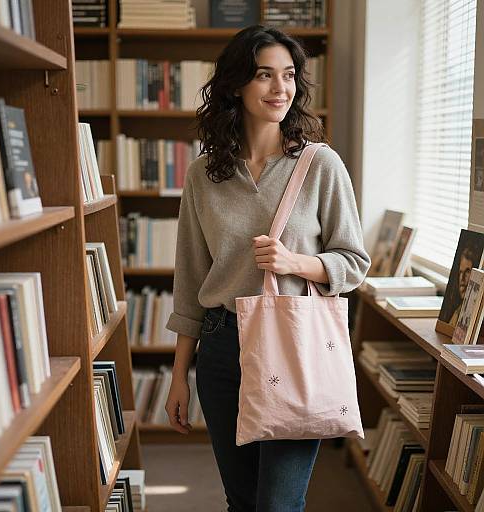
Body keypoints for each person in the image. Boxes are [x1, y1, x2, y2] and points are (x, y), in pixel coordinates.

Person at [164, 25, 371, 512]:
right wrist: (179, 376)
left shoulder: (322, 165)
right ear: (237, 84)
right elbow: (192, 280)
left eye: (289, 75)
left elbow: (355, 262)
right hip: (221, 349)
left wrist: (297, 262)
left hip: (294, 346)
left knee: (278, 504)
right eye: (264, 75)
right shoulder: (205, 174)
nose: (281, 88)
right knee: (241, 501)